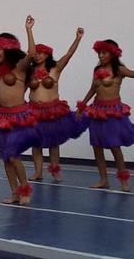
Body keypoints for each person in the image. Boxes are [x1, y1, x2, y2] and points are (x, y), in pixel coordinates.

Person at [0, 15, 39, 205]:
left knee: (13, 156)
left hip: (18, 117)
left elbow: (31, 53)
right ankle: (14, 192)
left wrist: (28, 29)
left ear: (8, 50)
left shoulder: (19, 69)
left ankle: (25, 189)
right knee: (6, 157)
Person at [28, 28, 86, 182]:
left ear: (47, 55)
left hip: (52, 110)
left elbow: (68, 54)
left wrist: (78, 39)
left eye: (42, 53)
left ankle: (55, 171)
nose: (38, 55)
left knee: (53, 142)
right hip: (34, 109)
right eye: (37, 52)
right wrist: (29, 30)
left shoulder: (55, 69)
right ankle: (38, 172)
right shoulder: (29, 70)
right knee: (36, 143)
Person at [77, 39, 134, 192]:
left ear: (113, 53)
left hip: (113, 111)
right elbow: (92, 89)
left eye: (104, 53)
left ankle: (124, 181)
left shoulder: (119, 69)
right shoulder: (97, 70)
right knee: (97, 146)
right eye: (99, 53)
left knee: (115, 147)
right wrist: (82, 105)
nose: (101, 56)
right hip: (97, 110)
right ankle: (104, 180)